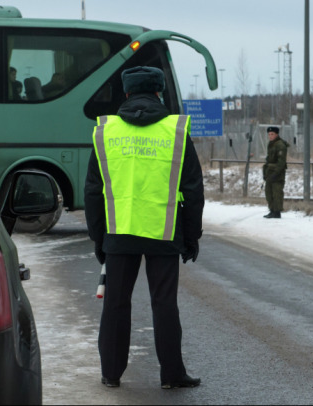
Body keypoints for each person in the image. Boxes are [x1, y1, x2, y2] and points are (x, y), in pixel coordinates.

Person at [84, 66, 204, 390]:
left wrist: (98, 237)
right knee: (164, 303)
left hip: (119, 231)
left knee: (115, 304)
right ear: (158, 93)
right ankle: (172, 374)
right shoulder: (174, 131)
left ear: (125, 93)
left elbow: (94, 190)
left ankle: (111, 373)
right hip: (162, 232)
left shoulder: (106, 132)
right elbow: (193, 188)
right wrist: (191, 236)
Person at [262, 126, 289, 219]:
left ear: (276, 134)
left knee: (277, 192)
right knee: (268, 192)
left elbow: (281, 162)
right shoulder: (271, 144)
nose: (270, 136)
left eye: (272, 134)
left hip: (278, 173)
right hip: (270, 172)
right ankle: (272, 210)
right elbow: (269, 160)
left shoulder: (280, 145)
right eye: (269, 134)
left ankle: (277, 212)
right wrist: (265, 173)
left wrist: (275, 173)